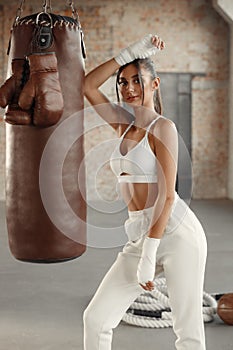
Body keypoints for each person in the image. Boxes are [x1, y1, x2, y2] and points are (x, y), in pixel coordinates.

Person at [83, 34, 207, 350]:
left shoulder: (163, 127)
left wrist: (150, 256)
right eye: (123, 82)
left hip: (177, 234)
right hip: (139, 233)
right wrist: (129, 53)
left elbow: (167, 195)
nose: (128, 88)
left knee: (188, 333)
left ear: (155, 84)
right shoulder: (122, 124)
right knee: (96, 319)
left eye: (137, 80)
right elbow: (87, 85)